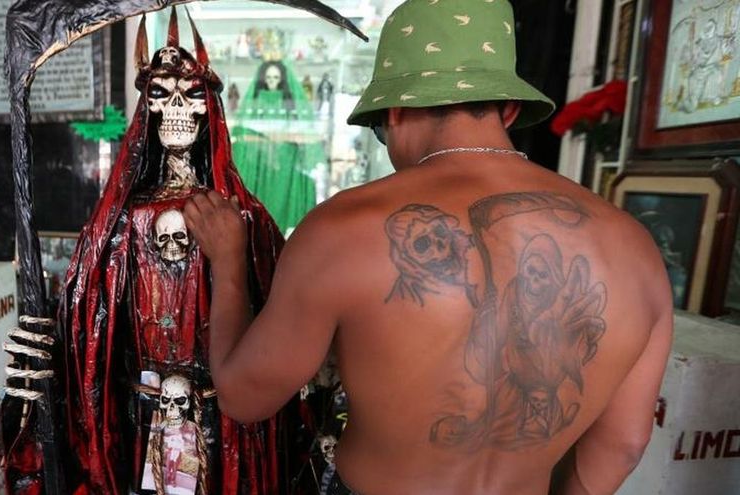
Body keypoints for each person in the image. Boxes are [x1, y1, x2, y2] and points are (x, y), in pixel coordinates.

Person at [184, 0, 673, 494]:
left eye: (379, 130)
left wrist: (228, 262)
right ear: (508, 109)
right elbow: (624, 444)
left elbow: (244, 397)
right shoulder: (636, 248)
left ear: (394, 111)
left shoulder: (342, 228)